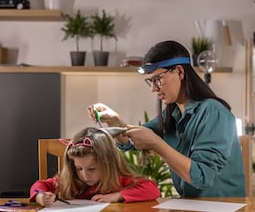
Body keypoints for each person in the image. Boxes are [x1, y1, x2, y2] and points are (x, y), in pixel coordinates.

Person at [88, 40, 246, 197]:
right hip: (192, 205)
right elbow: (131, 142)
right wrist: (114, 121)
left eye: (158, 79)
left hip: (224, 206)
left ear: (179, 72)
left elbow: (202, 176)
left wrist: (157, 144)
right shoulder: (173, 113)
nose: (153, 88)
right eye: (151, 81)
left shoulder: (213, 112)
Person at [29, 127, 160, 206]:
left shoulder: (117, 180)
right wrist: (40, 196)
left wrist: (117, 196)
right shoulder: (69, 181)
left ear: (108, 164)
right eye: (78, 168)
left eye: (92, 169)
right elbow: (38, 186)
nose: (85, 176)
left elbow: (152, 189)